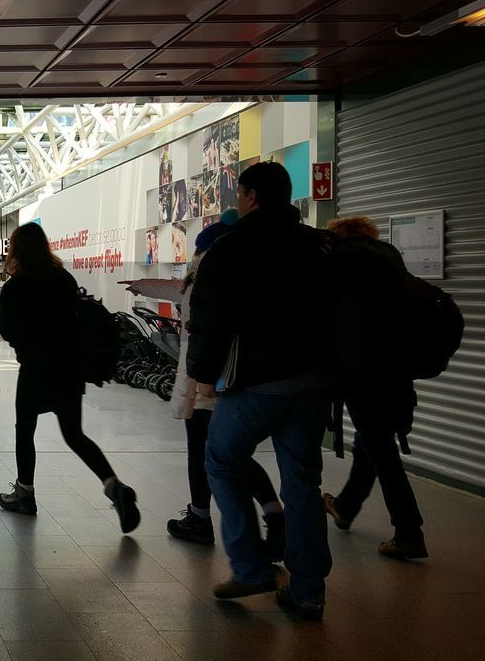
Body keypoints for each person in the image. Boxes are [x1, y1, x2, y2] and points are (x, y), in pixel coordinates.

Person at [187, 161, 333, 621]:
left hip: (256, 384)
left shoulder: (233, 249)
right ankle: (308, 590)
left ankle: (250, 566)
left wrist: (202, 375)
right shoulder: (318, 245)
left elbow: (211, 319)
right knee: (304, 484)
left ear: (249, 197)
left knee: (222, 459)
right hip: (312, 383)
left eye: (240, 194)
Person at [121, 209, 285, 552]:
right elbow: (182, 293)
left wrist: (205, 382)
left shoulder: (214, 271)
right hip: (218, 374)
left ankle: (210, 522)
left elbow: (196, 309)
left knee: (210, 451)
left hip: (209, 377)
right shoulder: (235, 270)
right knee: (225, 451)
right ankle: (268, 516)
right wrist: (143, 285)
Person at [0, 222, 141, 534]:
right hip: (69, 369)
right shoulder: (64, 278)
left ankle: (25, 494)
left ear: (16, 250)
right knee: (74, 433)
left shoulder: (15, 286)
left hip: (35, 369)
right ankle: (113, 484)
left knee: (26, 429)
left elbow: (7, 331)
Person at [321, 216, 427, 561]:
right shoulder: (391, 262)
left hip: (362, 373)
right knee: (371, 439)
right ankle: (347, 506)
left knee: (381, 450)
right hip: (397, 369)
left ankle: (409, 530)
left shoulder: (341, 265)